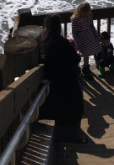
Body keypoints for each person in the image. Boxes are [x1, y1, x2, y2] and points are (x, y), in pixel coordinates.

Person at [40, 14, 87, 143]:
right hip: (68, 82)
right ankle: (74, 138)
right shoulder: (62, 42)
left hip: (53, 84)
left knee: (60, 111)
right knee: (74, 109)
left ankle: (61, 137)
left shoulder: (44, 44)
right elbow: (76, 59)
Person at [71, 2, 102, 78]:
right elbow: (74, 33)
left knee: (87, 53)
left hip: (89, 36)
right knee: (80, 53)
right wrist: (78, 43)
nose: (85, 14)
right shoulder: (75, 19)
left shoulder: (89, 16)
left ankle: (86, 68)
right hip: (81, 39)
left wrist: (96, 35)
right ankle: (77, 69)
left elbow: (91, 27)